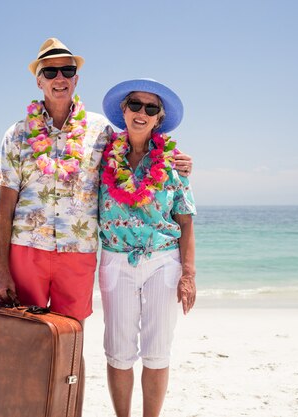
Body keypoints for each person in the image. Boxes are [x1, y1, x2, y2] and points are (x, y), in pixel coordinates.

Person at [0, 38, 192, 415]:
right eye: (50, 71)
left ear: (76, 78)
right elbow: (4, 207)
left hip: (78, 256)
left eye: (67, 70)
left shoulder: (101, 132)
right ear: (39, 81)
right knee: (27, 341)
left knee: (71, 346)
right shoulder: (16, 134)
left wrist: (179, 160)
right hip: (26, 250)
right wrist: (0, 268)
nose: (59, 77)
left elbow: (141, 145)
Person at [98, 78, 197, 417]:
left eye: (150, 108)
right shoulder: (101, 155)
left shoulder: (173, 163)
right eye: (135, 105)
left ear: (158, 118)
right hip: (115, 261)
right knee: (118, 350)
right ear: (123, 111)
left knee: (157, 351)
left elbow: (185, 220)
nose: (142, 113)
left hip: (163, 262)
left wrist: (189, 275)